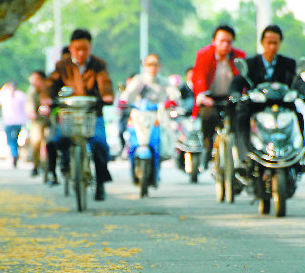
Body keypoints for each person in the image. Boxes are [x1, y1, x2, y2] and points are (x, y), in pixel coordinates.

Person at [45, 28, 114, 200]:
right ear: (71, 48)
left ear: (90, 47)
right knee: (58, 139)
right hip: (69, 112)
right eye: (77, 49)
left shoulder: (98, 65)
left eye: (85, 48)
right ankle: (67, 161)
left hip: (92, 112)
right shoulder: (62, 66)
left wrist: (106, 95)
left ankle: (100, 184)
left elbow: (104, 82)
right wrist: (46, 98)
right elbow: (50, 84)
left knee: (100, 144)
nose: (81, 53)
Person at [230, 25, 299, 163]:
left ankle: (298, 156)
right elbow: (238, 81)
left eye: (275, 43)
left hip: (282, 105)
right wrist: (235, 93)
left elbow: (297, 82)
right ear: (262, 43)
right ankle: (244, 157)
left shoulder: (289, 64)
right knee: (242, 117)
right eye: (269, 43)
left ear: (280, 43)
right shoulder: (250, 64)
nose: (272, 47)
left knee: (299, 116)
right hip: (256, 106)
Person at [120, 53, 180, 183]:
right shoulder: (138, 80)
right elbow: (128, 93)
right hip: (138, 115)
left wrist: (172, 101)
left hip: (157, 115)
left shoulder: (163, 81)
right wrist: (123, 101)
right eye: (149, 64)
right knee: (128, 132)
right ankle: (127, 150)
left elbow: (174, 94)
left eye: (155, 64)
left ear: (160, 66)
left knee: (165, 139)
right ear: (144, 65)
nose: (152, 67)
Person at [191, 25, 246, 168]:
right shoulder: (204, 55)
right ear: (213, 41)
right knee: (208, 116)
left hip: (231, 98)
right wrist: (202, 95)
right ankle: (207, 149)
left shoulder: (239, 57)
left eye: (229, 41)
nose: (225, 45)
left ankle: (242, 157)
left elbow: (244, 78)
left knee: (240, 120)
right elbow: (199, 76)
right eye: (221, 41)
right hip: (210, 98)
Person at [0, 82, 28, 167]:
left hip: (10, 121)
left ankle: (14, 153)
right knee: (14, 139)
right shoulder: (21, 95)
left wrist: (3, 88)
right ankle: (15, 152)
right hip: (17, 121)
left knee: (11, 140)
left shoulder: (5, 95)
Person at [26, 70, 50, 176]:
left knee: (51, 141)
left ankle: (51, 167)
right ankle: (36, 165)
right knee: (35, 141)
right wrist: (31, 112)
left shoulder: (50, 88)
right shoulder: (32, 91)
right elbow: (29, 104)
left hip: (51, 118)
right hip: (37, 120)